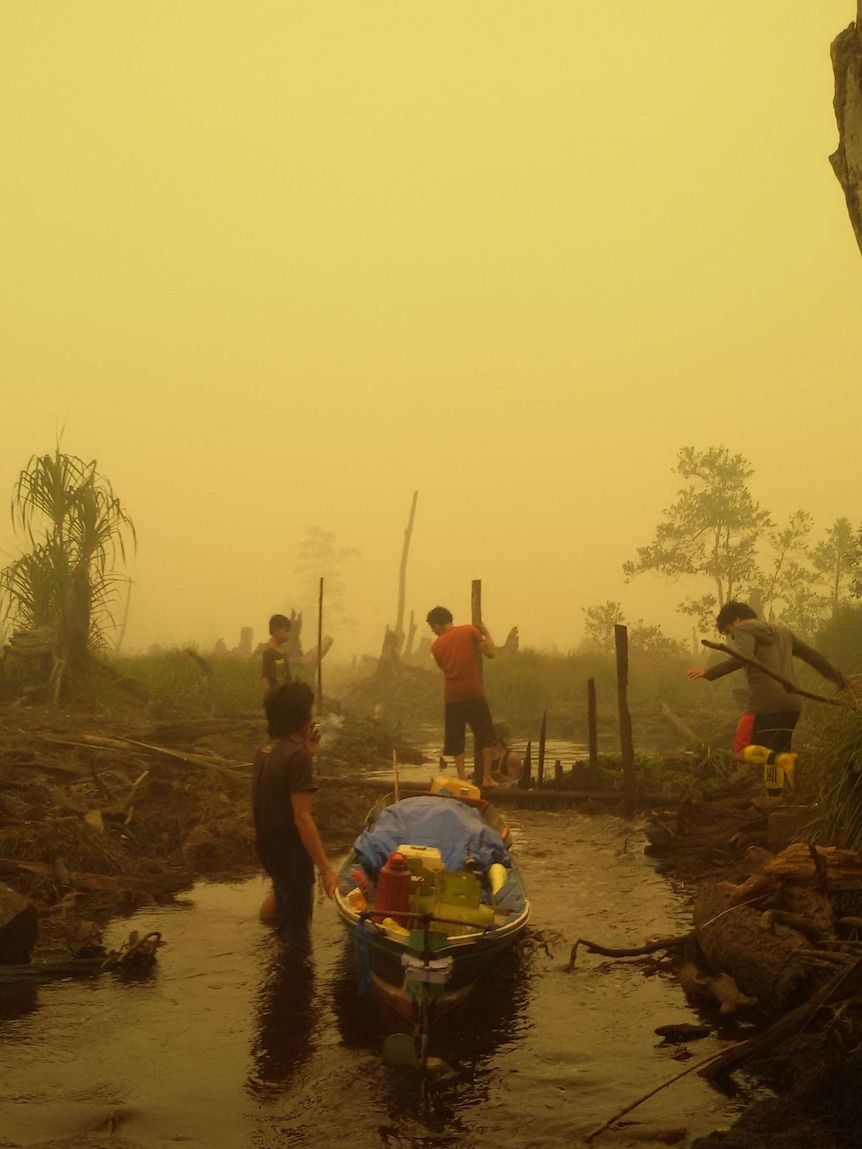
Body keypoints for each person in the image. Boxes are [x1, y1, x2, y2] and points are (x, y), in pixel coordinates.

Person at [688, 601, 849, 791]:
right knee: (776, 754)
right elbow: (813, 657)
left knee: (741, 752)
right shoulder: (783, 633)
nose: (732, 636)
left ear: (737, 620)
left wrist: (709, 672)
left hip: (764, 703)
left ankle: (779, 768)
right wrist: (841, 680)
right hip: (793, 703)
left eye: (729, 630)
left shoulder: (743, 628)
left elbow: (743, 656)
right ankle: (776, 798)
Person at [252, 681, 338, 937]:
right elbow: (302, 818)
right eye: (309, 713)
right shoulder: (295, 757)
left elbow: (279, 786)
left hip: (268, 847)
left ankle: (268, 938)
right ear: (299, 718)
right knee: (297, 935)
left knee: (280, 893)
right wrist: (325, 869)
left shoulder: (265, 749)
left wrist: (307, 752)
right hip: (291, 853)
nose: (312, 718)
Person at [426, 605, 498, 788]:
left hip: (452, 696)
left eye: (432, 627)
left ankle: (462, 779)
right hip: (474, 692)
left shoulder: (436, 646)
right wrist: (486, 632)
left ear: (436, 625)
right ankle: (487, 778)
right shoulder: (469, 631)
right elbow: (491, 652)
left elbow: (443, 667)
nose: (433, 631)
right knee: (485, 734)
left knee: (456, 739)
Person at [262, 613, 292, 700]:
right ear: (275, 630)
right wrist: (268, 700)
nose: (288, 634)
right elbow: (265, 678)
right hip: (275, 699)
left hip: (285, 697)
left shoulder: (283, 653)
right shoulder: (269, 653)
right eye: (286, 631)